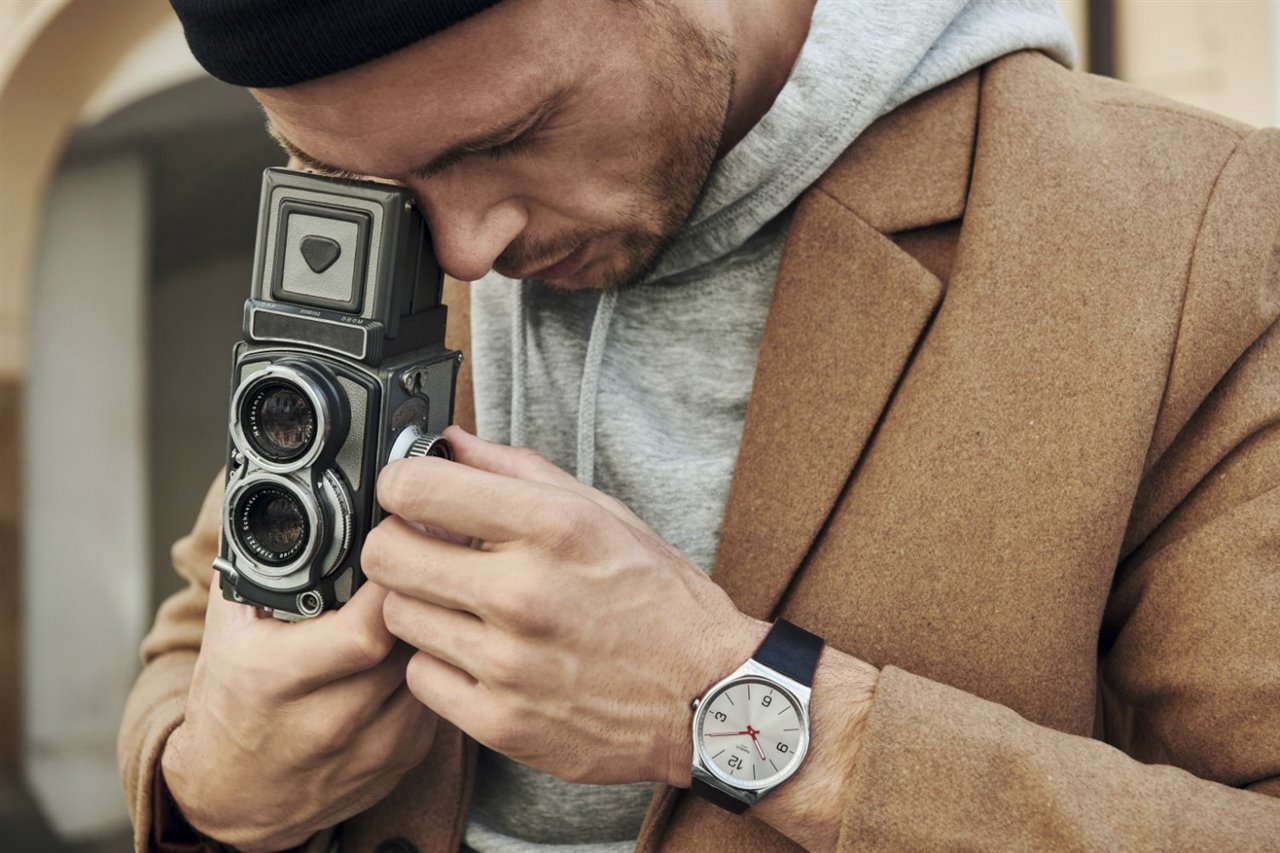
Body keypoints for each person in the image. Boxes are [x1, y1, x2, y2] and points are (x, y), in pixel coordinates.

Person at [120, 1, 1280, 851]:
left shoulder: (1199, 235)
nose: (466, 247)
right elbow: (213, 608)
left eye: (505, 135)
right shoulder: (376, 217)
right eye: (349, 170)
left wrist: (736, 706)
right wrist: (213, 786)